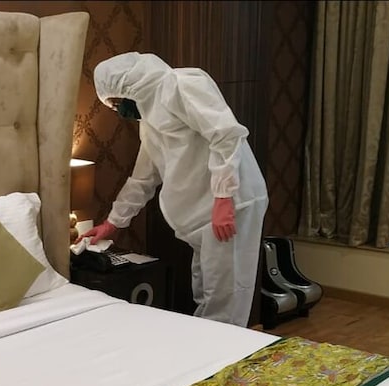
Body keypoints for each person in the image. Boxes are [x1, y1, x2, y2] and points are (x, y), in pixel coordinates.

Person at [80, 52, 269, 327]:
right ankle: (207, 345)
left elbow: (226, 135)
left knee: (226, 295)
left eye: (117, 104)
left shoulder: (181, 85)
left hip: (231, 204)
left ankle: (222, 349)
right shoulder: (150, 122)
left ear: (130, 86)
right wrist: (113, 223)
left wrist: (224, 198)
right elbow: (143, 178)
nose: (120, 112)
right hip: (204, 214)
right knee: (206, 290)